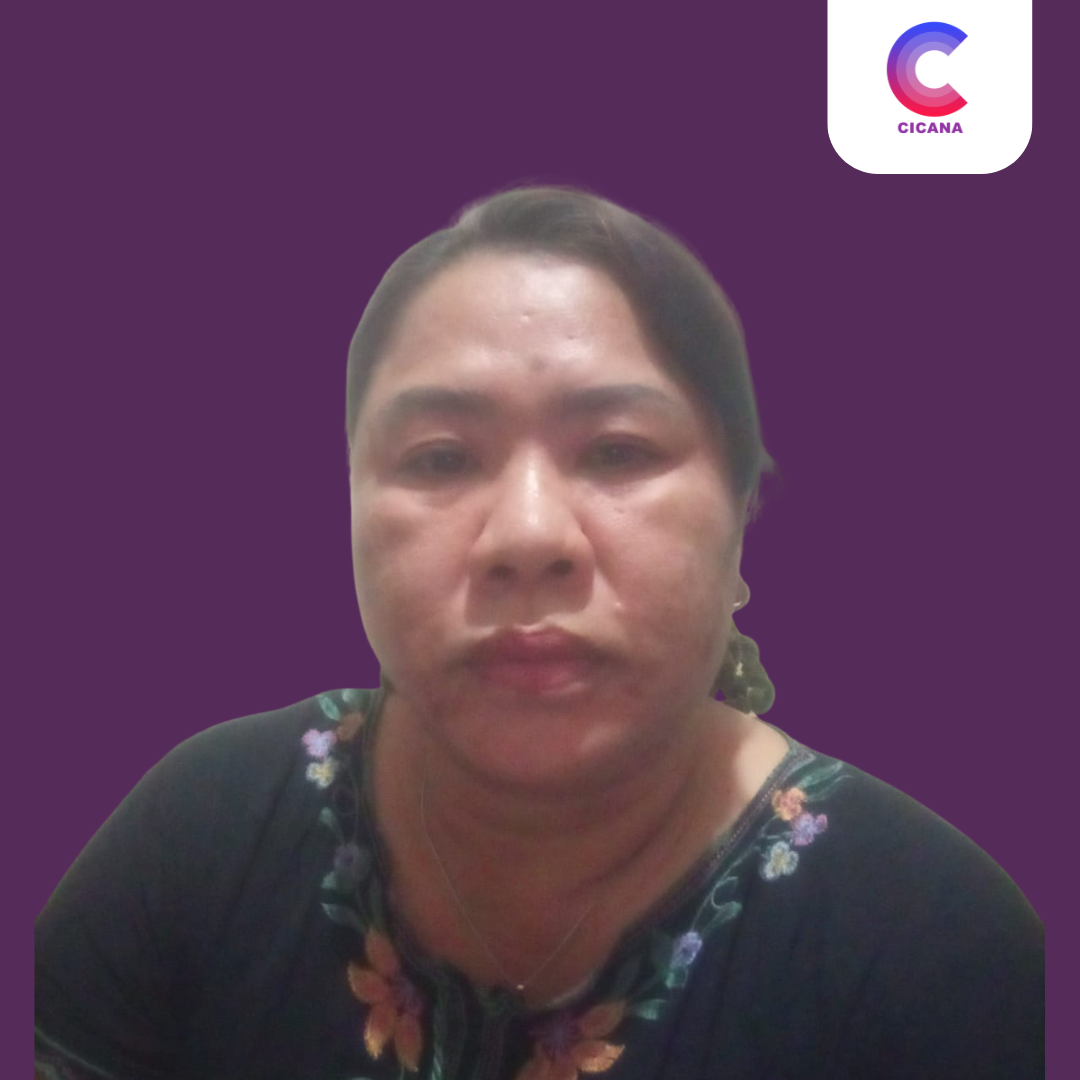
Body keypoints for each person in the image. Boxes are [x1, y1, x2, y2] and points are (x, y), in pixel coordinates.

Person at [34, 186, 1043, 1080]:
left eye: (617, 451)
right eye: (439, 459)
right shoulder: (204, 831)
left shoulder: (938, 950)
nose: (526, 537)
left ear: (740, 518)